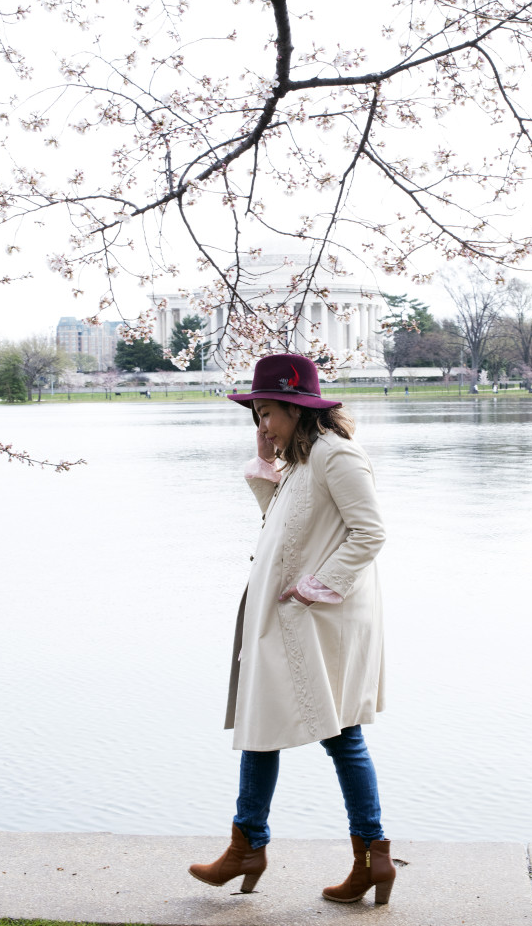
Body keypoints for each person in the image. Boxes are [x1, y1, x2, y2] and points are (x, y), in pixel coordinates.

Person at [188, 353, 395, 905]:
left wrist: (313, 586)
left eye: (268, 413)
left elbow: (370, 533)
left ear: (296, 409)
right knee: (262, 724)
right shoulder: (302, 463)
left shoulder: (337, 456)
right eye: (256, 414)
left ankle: (369, 856)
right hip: (287, 620)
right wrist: (267, 469)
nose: (262, 425)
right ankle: (247, 846)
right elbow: (284, 528)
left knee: (342, 736)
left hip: (320, 622)